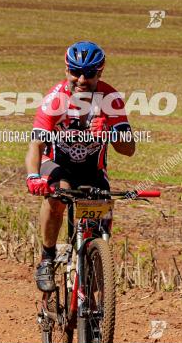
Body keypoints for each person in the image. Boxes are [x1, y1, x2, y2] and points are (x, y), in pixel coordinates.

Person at [25, 41, 136, 292]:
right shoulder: (55, 100)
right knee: (57, 197)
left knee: (99, 227)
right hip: (57, 164)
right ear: (66, 70)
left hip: (92, 170)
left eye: (90, 73)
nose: (82, 79)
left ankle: (92, 295)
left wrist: (110, 132)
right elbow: (36, 145)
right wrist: (33, 176)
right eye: (76, 72)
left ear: (101, 73)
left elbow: (129, 150)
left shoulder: (111, 99)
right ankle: (47, 258)